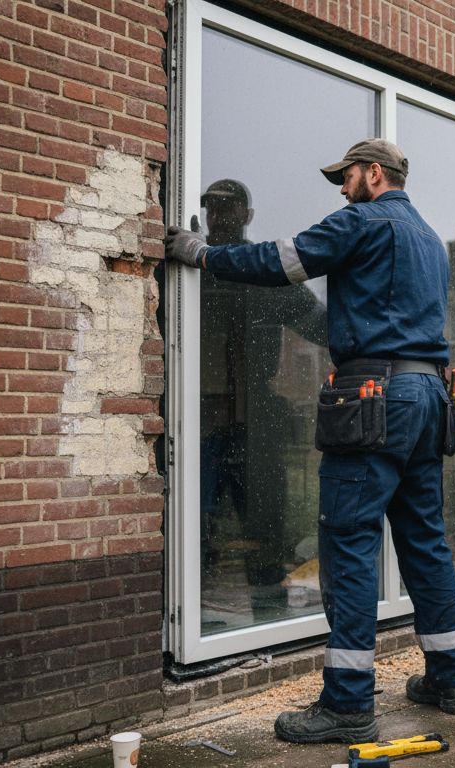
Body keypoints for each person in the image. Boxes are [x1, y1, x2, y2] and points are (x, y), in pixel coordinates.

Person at [165, 140, 455, 744]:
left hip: (373, 398)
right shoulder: (430, 240)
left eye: (347, 176)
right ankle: (450, 679)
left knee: (350, 545)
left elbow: (282, 262)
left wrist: (201, 253)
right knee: (426, 545)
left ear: (374, 174)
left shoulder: (362, 220)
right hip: (427, 397)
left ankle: (349, 703)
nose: (341, 187)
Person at [194, 179, 326, 616]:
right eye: (212, 208)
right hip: (197, 415)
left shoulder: (264, 275)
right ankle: (193, 614)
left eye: (229, 208)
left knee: (266, 521)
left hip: (257, 418)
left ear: (246, 215)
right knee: (197, 520)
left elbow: (319, 325)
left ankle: (269, 616)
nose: (219, 216)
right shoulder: (190, 272)